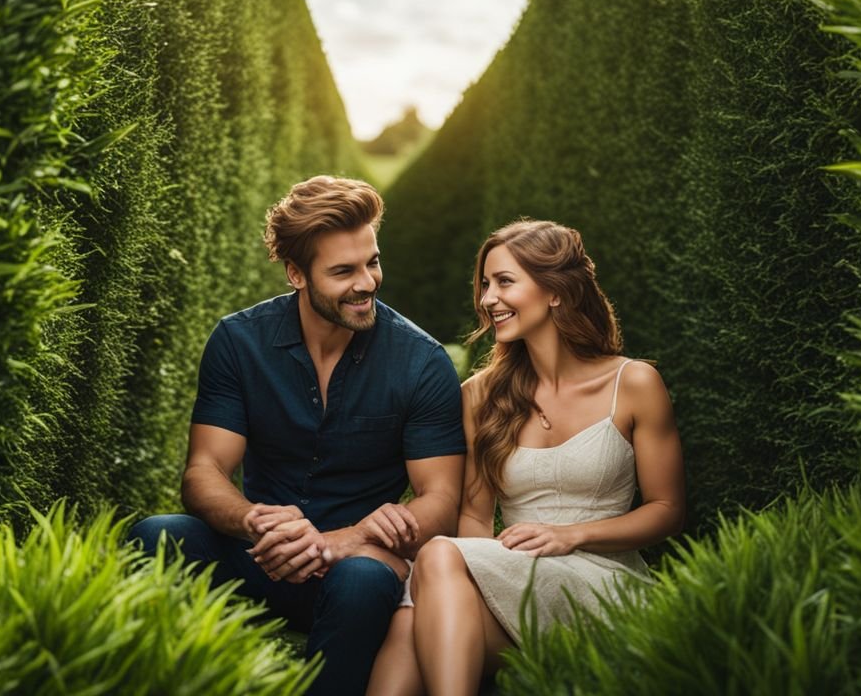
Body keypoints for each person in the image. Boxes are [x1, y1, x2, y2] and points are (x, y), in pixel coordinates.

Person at [128, 176, 466, 696]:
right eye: (343, 271)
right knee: (155, 534)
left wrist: (340, 542)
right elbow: (203, 471)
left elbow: (441, 500)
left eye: (371, 261)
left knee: (365, 581)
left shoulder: (421, 362)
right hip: (260, 551)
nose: (368, 282)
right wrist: (254, 520)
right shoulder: (239, 342)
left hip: (355, 564)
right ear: (295, 274)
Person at [367, 219, 685, 696]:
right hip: (513, 574)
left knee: (422, 591)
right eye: (486, 284)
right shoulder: (478, 395)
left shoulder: (634, 384)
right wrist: (474, 574)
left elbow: (668, 511)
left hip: (603, 580)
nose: (488, 298)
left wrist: (571, 534)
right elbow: (473, 518)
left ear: (555, 291)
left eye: (504, 282)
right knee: (420, 605)